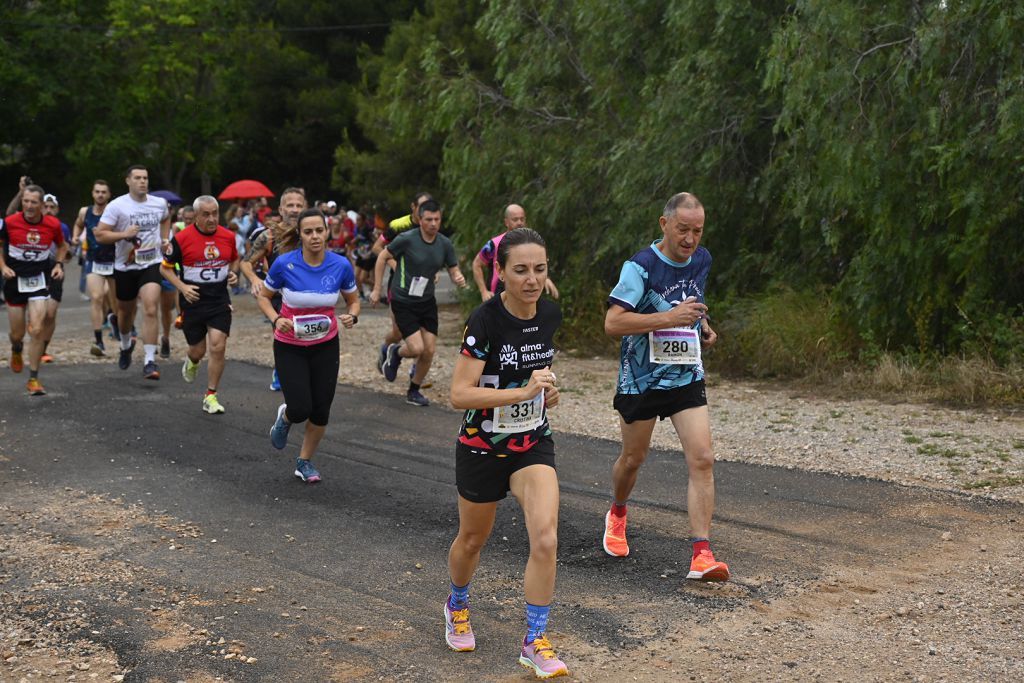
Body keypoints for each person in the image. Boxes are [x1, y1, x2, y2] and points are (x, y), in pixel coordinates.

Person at [445, 228, 568, 678]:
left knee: (547, 537)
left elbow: (539, 379)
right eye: (520, 270)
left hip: (531, 443)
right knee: (473, 540)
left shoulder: (550, 315)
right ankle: (457, 603)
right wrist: (521, 391)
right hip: (481, 448)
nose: (531, 279)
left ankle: (534, 640)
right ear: (500, 272)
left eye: (539, 269)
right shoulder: (484, 320)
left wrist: (545, 396)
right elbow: (459, 393)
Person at [601, 191, 729, 582]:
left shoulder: (702, 259)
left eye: (698, 231)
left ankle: (702, 554)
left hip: (684, 373)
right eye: (683, 230)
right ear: (664, 224)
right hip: (641, 378)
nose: (690, 239)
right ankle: (618, 512)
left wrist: (701, 325)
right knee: (633, 459)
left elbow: (694, 298)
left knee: (703, 457)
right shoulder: (638, 268)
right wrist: (669, 317)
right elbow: (613, 323)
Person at [259, 208, 359, 483]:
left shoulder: (340, 265)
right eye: (308, 232)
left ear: (327, 232)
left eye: (319, 230)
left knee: (321, 408)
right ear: (300, 235)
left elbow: (353, 300)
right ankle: (287, 417)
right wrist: (276, 318)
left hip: (326, 344)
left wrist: (353, 315)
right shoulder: (284, 264)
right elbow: (265, 297)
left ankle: (304, 461)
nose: (315, 236)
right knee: (301, 406)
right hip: (290, 344)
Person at [371, 199, 467, 406]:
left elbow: (453, 267)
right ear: (420, 220)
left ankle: (413, 391)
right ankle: (395, 352)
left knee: (429, 350)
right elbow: (381, 257)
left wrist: (457, 276)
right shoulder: (406, 239)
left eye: (437, 219)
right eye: (428, 219)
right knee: (416, 348)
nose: (433, 223)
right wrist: (377, 289)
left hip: (426, 301)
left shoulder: (444, 243)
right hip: (403, 300)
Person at [160, 196, 239, 414]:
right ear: (195, 216)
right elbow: (164, 268)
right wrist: (183, 287)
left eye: (215, 213)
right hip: (193, 302)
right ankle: (192, 361)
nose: (212, 218)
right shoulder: (182, 238)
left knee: (218, 345)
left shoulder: (228, 236)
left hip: (219, 301)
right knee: (198, 350)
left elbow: (234, 259)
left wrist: (233, 273)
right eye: (206, 214)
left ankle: (211, 395)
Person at [94, 165, 171, 379]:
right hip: (125, 266)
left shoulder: (159, 203)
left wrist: (165, 239)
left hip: (151, 263)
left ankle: (149, 361)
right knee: (125, 313)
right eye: (137, 178)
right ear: (128, 181)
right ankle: (126, 345)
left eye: (145, 178)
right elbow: (100, 235)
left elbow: (166, 218)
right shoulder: (117, 206)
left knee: (150, 307)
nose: (142, 182)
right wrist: (123, 234)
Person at [0, 184, 67, 395]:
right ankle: (17, 348)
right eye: (26, 201)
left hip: (39, 279)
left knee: (37, 329)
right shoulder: (10, 222)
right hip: (14, 281)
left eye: (34, 202)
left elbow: (62, 246)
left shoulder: (52, 224)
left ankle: (33, 378)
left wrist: (58, 265)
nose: (29, 206)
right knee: (17, 333)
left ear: (41, 205)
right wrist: (3, 267)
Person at [241, 187, 308, 392]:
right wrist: (254, 279)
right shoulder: (268, 237)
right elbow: (246, 263)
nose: (295, 209)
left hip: (306, 296)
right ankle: (281, 371)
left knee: (306, 337)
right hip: (279, 297)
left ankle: (301, 372)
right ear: (281, 208)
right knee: (284, 335)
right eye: (290, 205)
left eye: (299, 205)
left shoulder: (311, 233)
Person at [473, 204, 559, 302]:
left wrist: (545, 278)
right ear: (506, 222)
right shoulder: (494, 244)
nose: (519, 223)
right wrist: (483, 291)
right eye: (515, 219)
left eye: (522, 219)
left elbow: (535, 264)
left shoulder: (531, 243)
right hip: (498, 298)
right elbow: (477, 264)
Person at [72, 180, 116, 356]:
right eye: (97, 191)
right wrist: (76, 237)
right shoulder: (85, 211)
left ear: (109, 195)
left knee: (116, 300)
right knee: (96, 297)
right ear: (92, 193)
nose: (100, 195)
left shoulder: (114, 212)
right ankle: (98, 341)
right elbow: (78, 224)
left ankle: (118, 324)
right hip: (93, 260)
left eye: (104, 192)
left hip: (113, 260)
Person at [38, 194, 72, 363]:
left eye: (52, 207)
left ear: (57, 210)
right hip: (35, 270)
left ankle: (43, 349)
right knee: (37, 313)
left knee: (50, 314)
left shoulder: (63, 228)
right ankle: (34, 342)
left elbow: (67, 252)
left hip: (55, 270)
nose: (49, 210)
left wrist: (67, 254)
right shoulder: (32, 226)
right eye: (46, 206)